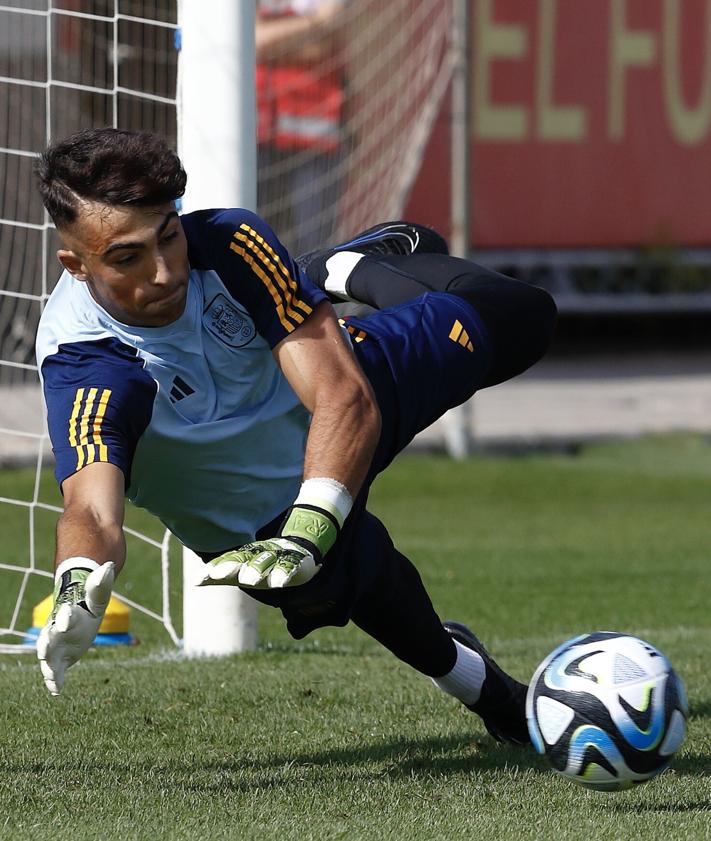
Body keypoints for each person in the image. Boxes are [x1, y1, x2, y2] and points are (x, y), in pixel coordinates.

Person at [33, 128, 557, 747]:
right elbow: (92, 507)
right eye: (127, 258)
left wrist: (315, 524)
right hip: (262, 527)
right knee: (374, 590)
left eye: (168, 235)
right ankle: (494, 696)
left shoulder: (229, 243)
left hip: (339, 403)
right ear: (77, 264)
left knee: (523, 316)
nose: (165, 271)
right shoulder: (87, 364)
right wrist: (78, 579)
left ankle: (339, 272)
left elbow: (343, 397)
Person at [256, 0, 349, 253]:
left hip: (316, 138)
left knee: (316, 254)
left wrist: (273, 42)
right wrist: (314, 24)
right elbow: (253, 42)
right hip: (257, 136)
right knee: (250, 247)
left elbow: (323, 44)